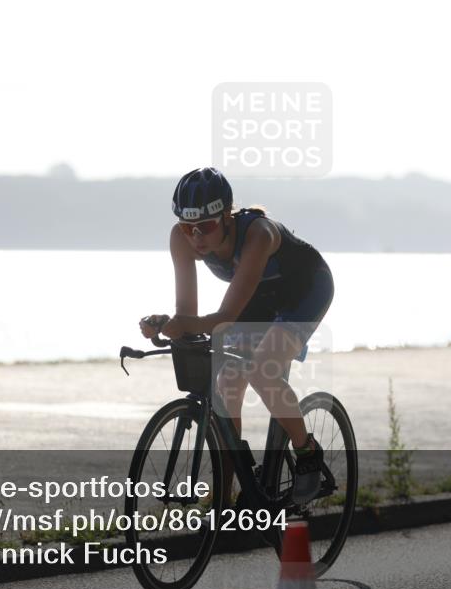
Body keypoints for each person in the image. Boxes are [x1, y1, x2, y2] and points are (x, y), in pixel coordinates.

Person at [139, 167, 335, 504]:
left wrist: (181, 324)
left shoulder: (258, 234)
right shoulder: (181, 240)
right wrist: (167, 323)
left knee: (263, 369)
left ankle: (308, 454)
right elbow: (189, 314)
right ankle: (224, 498)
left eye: (207, 226)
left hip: (305, 290)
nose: (197, 236)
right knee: (227, 385)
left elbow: (225, 318)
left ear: (227, 217)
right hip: (257, 295)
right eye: (189, 227)